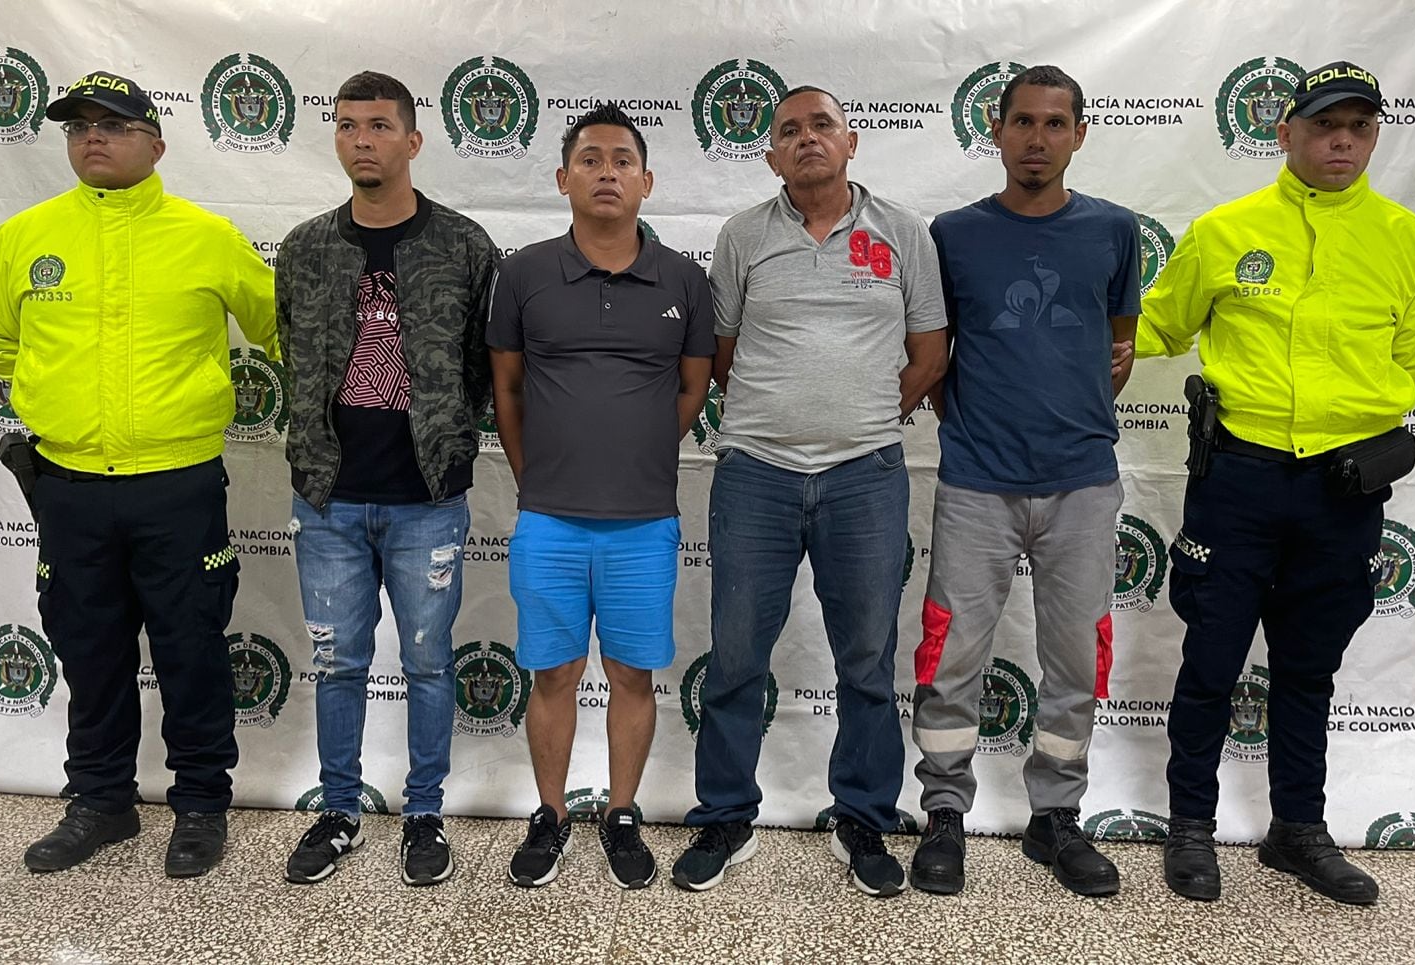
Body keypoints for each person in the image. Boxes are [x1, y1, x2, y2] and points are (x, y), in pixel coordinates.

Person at [1138, 61, 1415, 906]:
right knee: (1210, 660)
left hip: (1343, 490)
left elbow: (1412, 360)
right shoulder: (1226, 229)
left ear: (1375, 134)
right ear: (1286, 133)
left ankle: (1297, 830)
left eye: (1358, 126)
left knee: (1309, 669)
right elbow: (1158, 326)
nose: (1340, 140)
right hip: (1239, 480)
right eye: (1323, 125)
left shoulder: (1410, 241)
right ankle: (1191, 825)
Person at [0, 70, 277, 878]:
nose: (92, 137)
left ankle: (202, 803)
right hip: (68, 488)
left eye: (113, 124)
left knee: (191, 649)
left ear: (156, 143)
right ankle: (100, 802)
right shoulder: (24, 238)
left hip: (177, 485)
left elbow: (280, 328)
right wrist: (61, 398)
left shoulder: (207, 236)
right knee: (89, 647)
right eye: (77, 127)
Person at [672, 86, 948, 898]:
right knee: (735, 658)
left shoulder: (903, 234)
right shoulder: (743, 235)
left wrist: (864, 414)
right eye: (788, 131)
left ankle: (864, 816)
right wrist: (783, 413)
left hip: (866, 474)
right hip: (756, 472)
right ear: (771, 155)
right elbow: (721, 352)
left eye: (820, 125)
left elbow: (929, 352)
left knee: (866, 658)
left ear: (851, 140)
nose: (806, 139)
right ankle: (724, 814)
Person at [909, 65, 1139, 899]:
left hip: (1081, 483)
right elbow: (931, 351)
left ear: (1079, 134)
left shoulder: (1114, 231)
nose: (1037, 138)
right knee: (952, 654)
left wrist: (1065, 416)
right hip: (976, 482)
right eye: (1022, 122)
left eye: (1054, 123)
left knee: (1077, 658)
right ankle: (942, 813)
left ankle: (1056, 818)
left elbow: (1116, 348)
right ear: (996, 131)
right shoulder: (952, 233)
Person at [276, 71, 500, 887]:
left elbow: (482, 366)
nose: (360, 139)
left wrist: (446, 440)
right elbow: (294, 349)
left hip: (426, 499)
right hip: (327, 496)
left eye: (377, 125)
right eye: (345, 125)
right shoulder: (305, 247)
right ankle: (338, 809)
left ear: (413, 138)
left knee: (429, 661)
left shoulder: (465, 246)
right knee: (337, 661)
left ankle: (424, 814)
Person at [489, 103, 715, 891]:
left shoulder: (687, 280)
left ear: (647, 180)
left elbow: (692, 390)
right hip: (548, 518)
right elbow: (508, 389)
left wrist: (642, 448)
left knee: (631, 675)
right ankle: (549, 813)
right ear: (562, 178)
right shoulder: (521, 274)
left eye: (623, 159)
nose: (607, 171)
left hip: (644, 521)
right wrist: (537, 474)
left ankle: (621, 812)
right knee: (552, 673)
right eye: (590, 159)